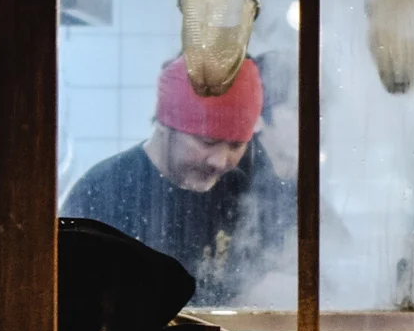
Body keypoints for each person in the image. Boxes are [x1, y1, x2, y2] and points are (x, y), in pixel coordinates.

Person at [61, 55, 291, 306]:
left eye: (236, 145)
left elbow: (272, 271)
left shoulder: (244, 188)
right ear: (164, 124)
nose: (220, 161)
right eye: (207, 142)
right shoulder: (103, 192)